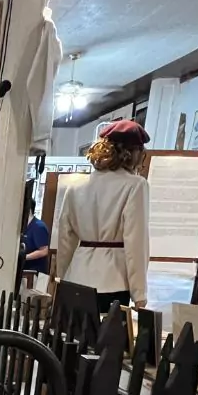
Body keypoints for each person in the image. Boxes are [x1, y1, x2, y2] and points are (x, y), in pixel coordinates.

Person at [57, 119, 151, 313]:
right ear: (134, 153)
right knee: (106, 342)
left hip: (76, 278)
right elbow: (136, 242)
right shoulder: (135, 185)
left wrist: (62, 277)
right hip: (112, 281)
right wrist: (139, 294)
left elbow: (65, 238)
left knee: (71, 340)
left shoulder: (75, 187)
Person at [22, 198, 50, 274]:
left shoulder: (39, 227)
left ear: (29, 210)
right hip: (24, 270)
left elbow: (44, 250)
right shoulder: (23, 226)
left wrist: (24, 257)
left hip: (35, 273)